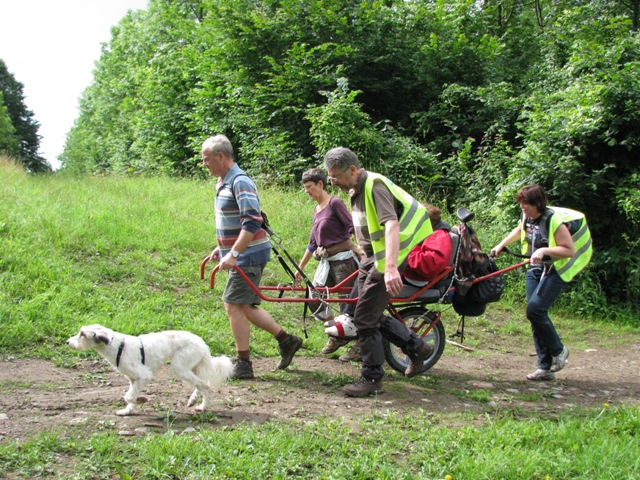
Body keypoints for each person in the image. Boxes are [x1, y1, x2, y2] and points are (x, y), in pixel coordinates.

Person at [324, 146, 435, 397]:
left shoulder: (374, 186)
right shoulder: (356, 188)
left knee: (364, 318)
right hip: (372, 257)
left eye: (336, 176)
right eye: (330, 177)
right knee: (366, 312)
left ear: (352, 169)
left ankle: (372, 378)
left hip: (388, 258)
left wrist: (392, 268)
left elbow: (391, 224)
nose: (334, 182)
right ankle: (417, 348)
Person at [201, 135, 303, 380]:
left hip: (249, 255)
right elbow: (234, 221)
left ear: (221, 156)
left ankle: (244, 363)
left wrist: (234, 253)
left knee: (233, 304)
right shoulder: (222, 181)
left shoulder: (240, 181)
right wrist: (223, 250)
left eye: (207, 160)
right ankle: (286, 340)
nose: (205, 164)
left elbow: (251, 221)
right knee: (244, 305)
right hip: (240, 254)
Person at [491, 184, 592, 381]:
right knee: (533, 313)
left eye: (525, 203)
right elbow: (521, 228)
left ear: (537, 203)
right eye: (521, 202)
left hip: (556, 269)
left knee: (535, 310)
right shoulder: (527, 217)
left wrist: (545, 251)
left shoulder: (554, 221)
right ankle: (544, 367)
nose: (522, 207)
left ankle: (559, 350)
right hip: (535, 268)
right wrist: (501, 245)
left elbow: (568, 250)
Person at [294, 167, 360, 356]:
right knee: (314, 296)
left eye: (309, 187)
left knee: (347, 303)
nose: (307, 191)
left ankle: (359, 344)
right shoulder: (316, 209)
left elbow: (351, 226)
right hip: (326, 262)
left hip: (343, 261)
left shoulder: (335, 203)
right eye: (305, 188)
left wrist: (361, 248)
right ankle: (336, 334)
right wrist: (301, 266)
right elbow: (313, 243)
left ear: (320, 184)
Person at [403, 204, 453, 284]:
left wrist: (404, 254)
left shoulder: (439, 236)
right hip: (410, 271)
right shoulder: (430, 230)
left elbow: (430, 265)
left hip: (416, 278)